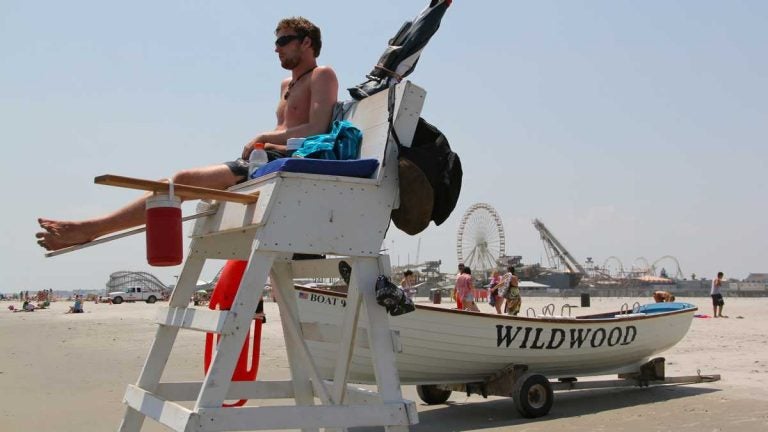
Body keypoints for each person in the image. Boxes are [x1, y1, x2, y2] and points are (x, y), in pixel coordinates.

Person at [36, 17, 339, 252]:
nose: (277, 47)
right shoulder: (286, 85)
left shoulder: (322, 74)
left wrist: (262, 137)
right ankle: (90, 228)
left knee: (179, 181)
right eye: (276, 42)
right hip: (260, 158)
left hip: (279, 158)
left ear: (307, 42)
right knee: (172, 188)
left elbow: (317, 128)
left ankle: (89, 228)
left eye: (284, 40)